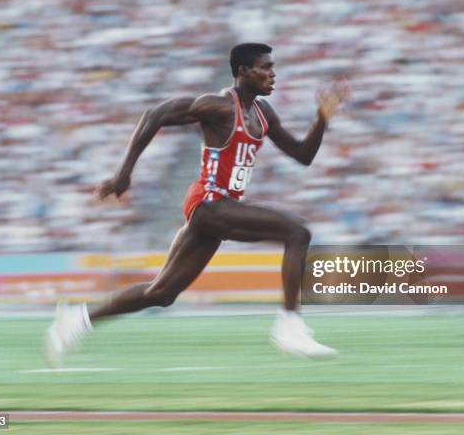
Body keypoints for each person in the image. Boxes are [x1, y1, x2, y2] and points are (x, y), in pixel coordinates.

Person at [44, 43, 350, 366]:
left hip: (220, 211)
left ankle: (76, 320)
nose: (273, 74)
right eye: (266, 67)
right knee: (297, 232)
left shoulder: (264, 114)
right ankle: (289, 326)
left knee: (161, 293)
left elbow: (303, 156)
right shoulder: (218, 106)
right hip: (209, 204)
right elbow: (155, 115)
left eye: (274, 67)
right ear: (243, 72)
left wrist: (321, 119)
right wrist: (123, 174)